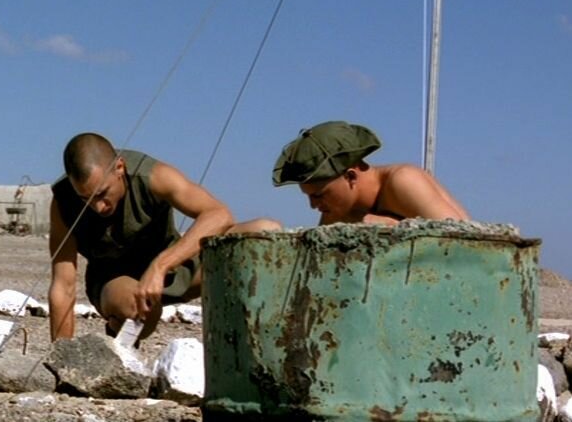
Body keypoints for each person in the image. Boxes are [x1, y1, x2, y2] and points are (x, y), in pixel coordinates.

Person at [47, 132, 235, 342]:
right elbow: (63, 286)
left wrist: (160, 266)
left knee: (260, 234)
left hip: (172, 270)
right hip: (116, 285)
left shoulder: (154, 176)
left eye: (102, 194)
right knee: (137, 305)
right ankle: (120, 347)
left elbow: (218, 215)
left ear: (119, 167)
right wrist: (61, 354)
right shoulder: (63, 202)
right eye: (85, 199)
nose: (98, 206)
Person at [272, 120, 469, 225]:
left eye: (318, 195)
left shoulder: (403, 181)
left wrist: (394, 228)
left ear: (351, 176)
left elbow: (462, 243)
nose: (313, 205)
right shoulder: (338, 210)